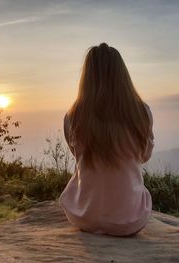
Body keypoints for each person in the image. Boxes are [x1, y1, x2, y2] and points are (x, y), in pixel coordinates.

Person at [59, 43, 154, 236]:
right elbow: (143, 156)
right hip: (130, 221)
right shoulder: (142, 113)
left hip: (83, 217)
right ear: (122, 75)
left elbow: (78, 159)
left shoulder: (73, 117)